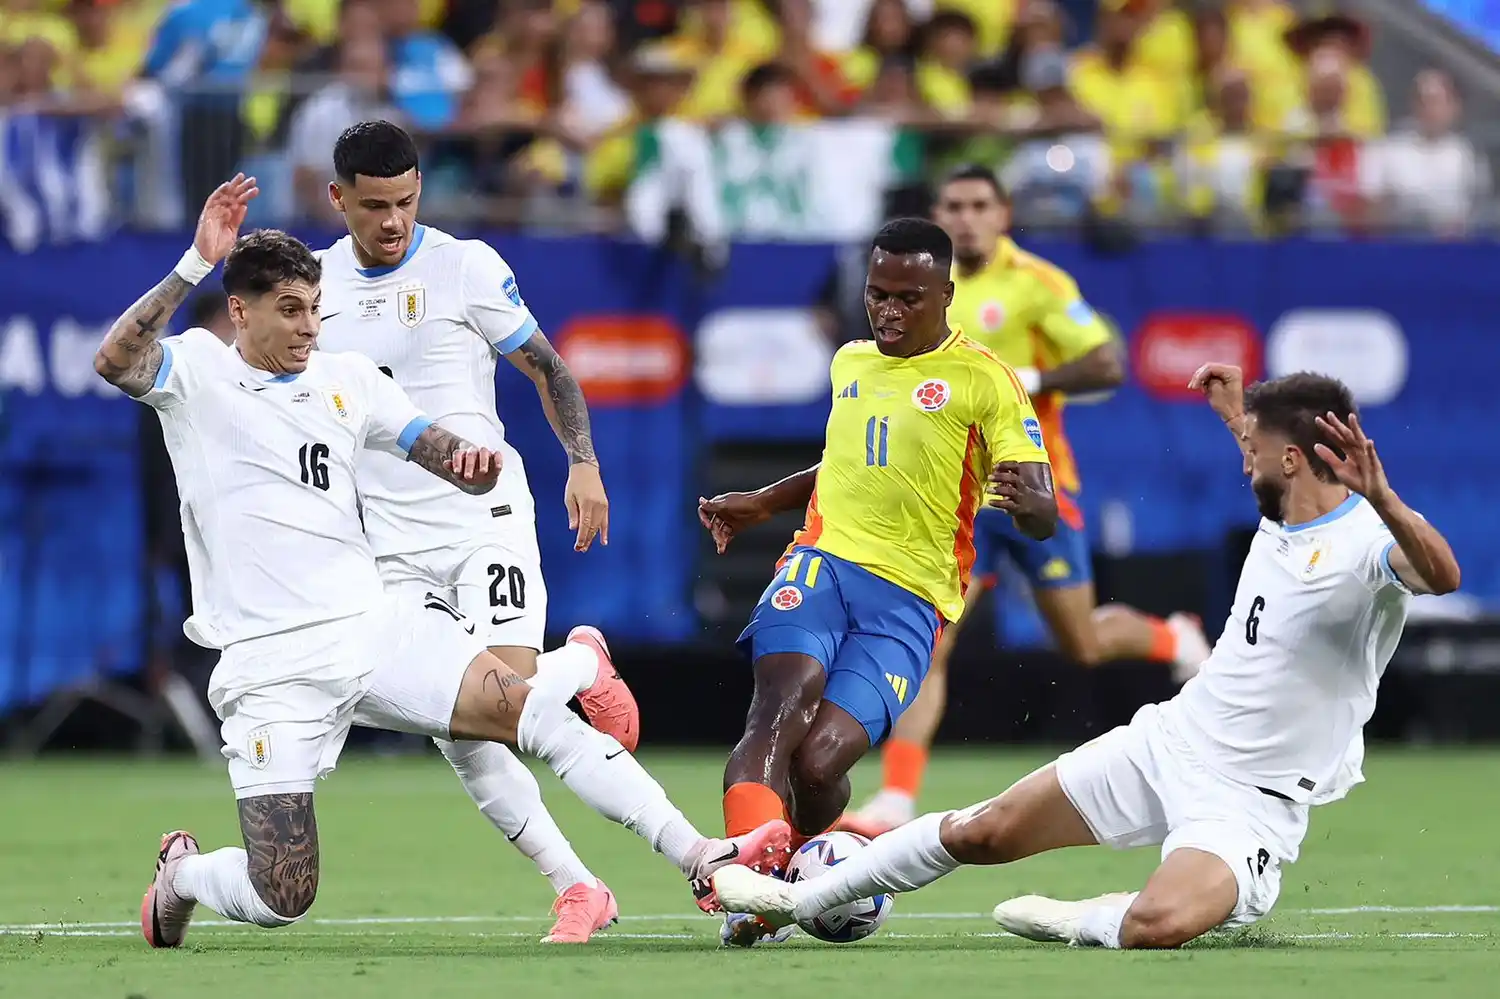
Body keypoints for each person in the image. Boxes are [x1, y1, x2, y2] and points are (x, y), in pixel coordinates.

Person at [101, 177, 790, 950]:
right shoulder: (196, 372)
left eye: (314, 309)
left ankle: (697, 854)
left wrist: (465, 462)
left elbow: (432, 446)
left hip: (374, 625)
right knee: (280, 893)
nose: (308, 328)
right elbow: (115, 357)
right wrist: (196, 261)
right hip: (269, 665)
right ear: (240, 310)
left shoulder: (347, 379)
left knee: (529, 714)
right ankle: (183, 875)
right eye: (289, 311)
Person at [712, 363, 1461, 950]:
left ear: (1293, 459)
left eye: (1256, 451)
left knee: (1157, 925)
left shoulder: (1368, 540)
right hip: (1174, 738)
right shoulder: (1284, 500)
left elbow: (1442, 573)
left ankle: (1087, 917)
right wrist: (1237, 414)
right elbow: (1259, 449)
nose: (1245, 462)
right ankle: (797, 899)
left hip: (1253, 800)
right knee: (985, 830)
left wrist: (1388, 498)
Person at [696, 217, 1059, 945]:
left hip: (910, 601)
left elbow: (1042, 510)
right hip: (821, 564)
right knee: (777, 707)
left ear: (946, 294)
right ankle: (751, 893)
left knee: (821, 760)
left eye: (907, 297)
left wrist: (1034, 507)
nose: (888, 311)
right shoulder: (851, 362)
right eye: (877, 294)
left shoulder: (985, 379)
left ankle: (789, 859)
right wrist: (766, 501)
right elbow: (847, 461)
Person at [311, 120, 626, 943]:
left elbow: (548, 367)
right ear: (336, 198)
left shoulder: (465, 266)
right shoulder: (311, 287)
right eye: (374, 205)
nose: (392, 221)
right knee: (466, 722)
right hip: (388, 542)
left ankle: (578, 663)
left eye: (406, 201)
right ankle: (578, 885)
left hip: (481, 519)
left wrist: (581, 462)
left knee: (503, 699)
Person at [840, 166, 1210, 839]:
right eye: (954, 203)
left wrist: (1027, 377)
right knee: (932, 642)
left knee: (1084, 643)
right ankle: (895, 795)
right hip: (955, 497)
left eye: (981, 204)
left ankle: (1171, 635)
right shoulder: (921, 290)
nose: (968, 216)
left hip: (1038, 485)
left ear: (1003, 213)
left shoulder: (1038, 284)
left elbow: (1105, 363)